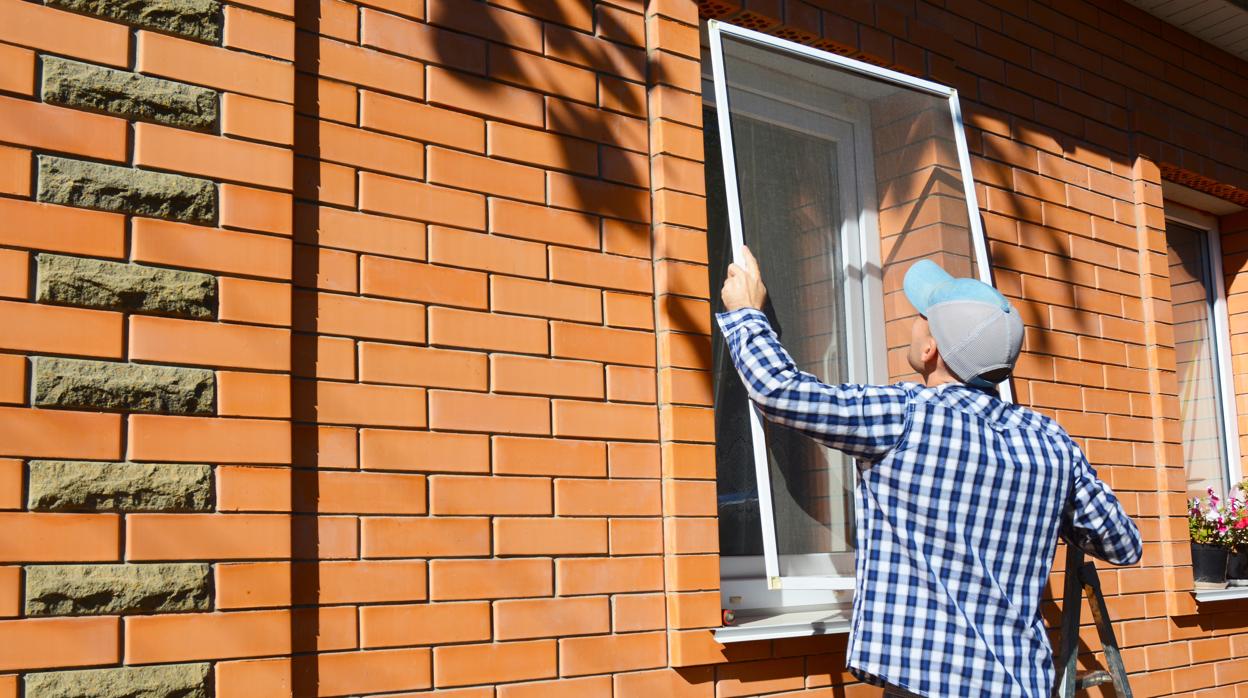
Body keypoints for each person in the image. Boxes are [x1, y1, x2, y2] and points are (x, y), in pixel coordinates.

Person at [716, 247, 1142, 698]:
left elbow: (782, 392)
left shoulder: (906, 415)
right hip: (1021, 684)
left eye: (921, 315)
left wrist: (746, 313)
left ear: (930, 347)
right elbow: (1123, 544)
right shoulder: (1051, 441)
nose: (912, 322)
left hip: (928, 686)